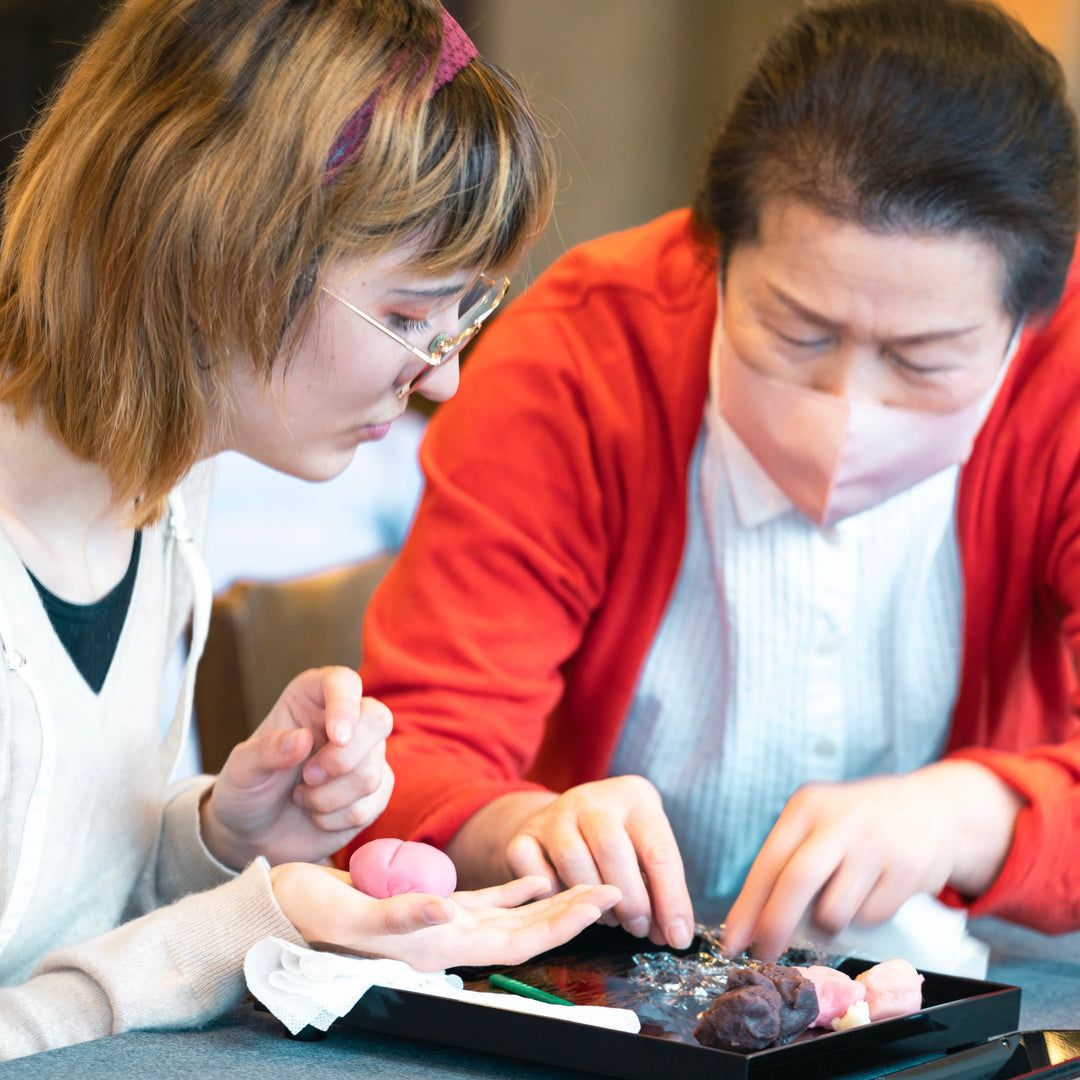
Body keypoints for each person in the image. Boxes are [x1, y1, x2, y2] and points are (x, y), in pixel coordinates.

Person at [345, 0, 1080, 962]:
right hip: (617, 989)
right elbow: (414, 754)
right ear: (718, 251)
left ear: (1032, 314)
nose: (843, 399)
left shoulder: (1066, 382)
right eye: (797, 330)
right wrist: (517, 823)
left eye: (924, 357)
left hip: (1003, 987)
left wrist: (977, 815)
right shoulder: (580, 361)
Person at [0, 0, 620, 1060]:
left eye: (464, 315)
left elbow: (52, 905)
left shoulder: (164, 498)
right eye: (413, 314)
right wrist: (247, 921)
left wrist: (211, 840)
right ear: (211, 254)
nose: (445, 374)